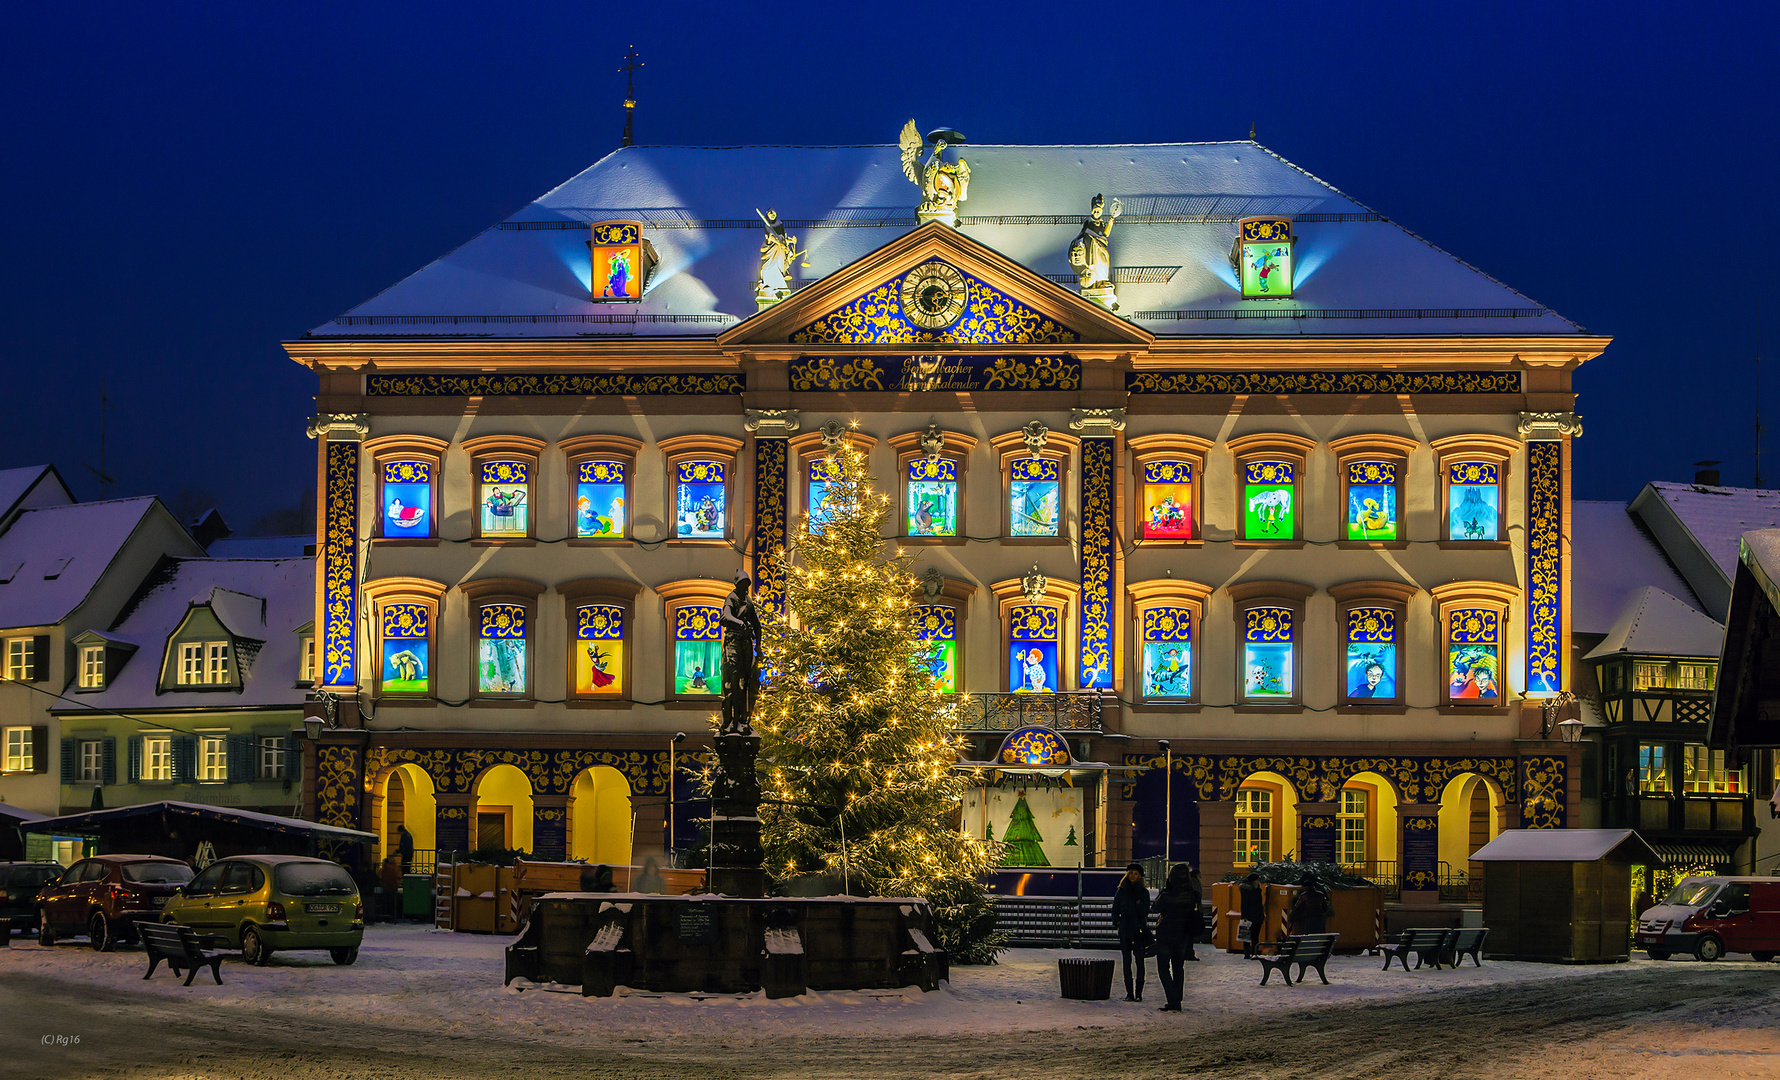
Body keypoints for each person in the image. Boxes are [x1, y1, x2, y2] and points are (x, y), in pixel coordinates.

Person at [1153, 864, 1197, 1012]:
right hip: (1183, 935)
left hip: (1166, 934)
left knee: (1163, 969)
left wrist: (1165, 890)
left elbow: (1155, 907)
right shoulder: (1192, 894)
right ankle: (1177, 997)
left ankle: (1173, 1000)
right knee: (1178, 967)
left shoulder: (1167, 895)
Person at [1111, 863, 1151, 1002]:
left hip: (1139, 929)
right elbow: (1115, 909)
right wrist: (1117, 922)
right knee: (1126, 961)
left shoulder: (1144, 892)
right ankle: (1129, 993)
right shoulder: (1121, 891)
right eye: (1131, 873)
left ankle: (1138, 993)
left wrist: (1139, 905)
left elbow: (1145, 911)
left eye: (1135, 873)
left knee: (1139, 961)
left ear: (1139, 876)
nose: (1133, 876)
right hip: (1125, 928)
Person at [1238, 871, 1265, 958]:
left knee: (1255, 936)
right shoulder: (1247, 891)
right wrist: (1245, 917)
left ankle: (1254, 953)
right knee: (1247, 936)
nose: (1258, 882)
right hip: (1249, 917)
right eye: (1257, 880)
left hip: (1257, 916)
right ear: (1253, 881)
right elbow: (1245, 905)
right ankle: (1248, 954)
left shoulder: (1257, 890)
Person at [1184, 865, 1205, 961]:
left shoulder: (1191, 882)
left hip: (1191, 911)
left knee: (1189, 935)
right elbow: (1197, 896)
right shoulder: (1194, 883)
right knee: (1190, 935)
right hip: (1193, 912)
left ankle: (1188, 953)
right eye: (1200, 875)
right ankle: (1188, 953)